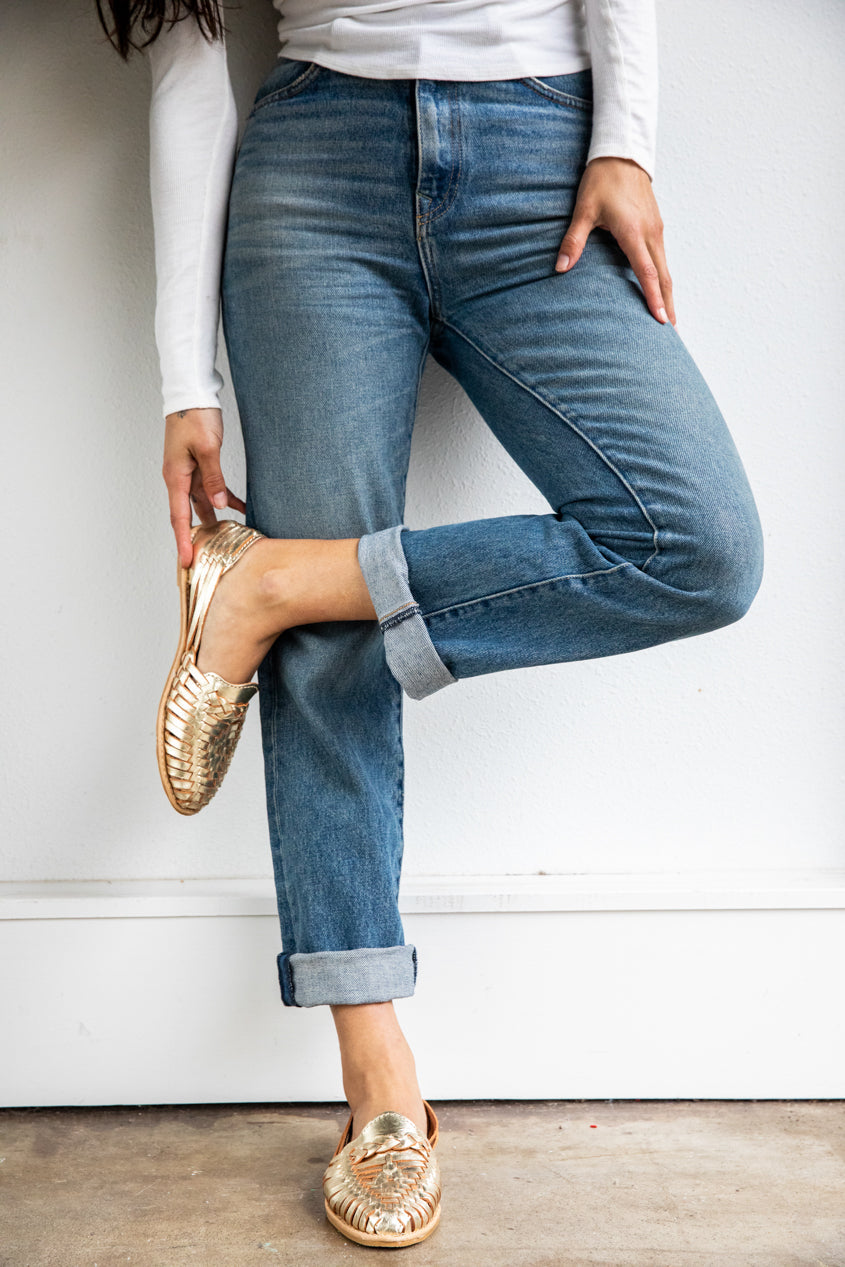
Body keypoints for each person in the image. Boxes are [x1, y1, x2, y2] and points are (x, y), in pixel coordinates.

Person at [99, 0, 763, 1248]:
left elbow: (701, 562)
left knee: (697, 544)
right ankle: (375, 1074)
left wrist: (624, 139)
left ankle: (271, 582)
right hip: (312, 173)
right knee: (330, 650)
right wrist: (184, 379)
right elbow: (188, 60)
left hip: (541, 154)